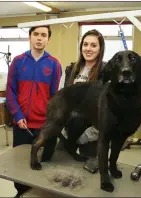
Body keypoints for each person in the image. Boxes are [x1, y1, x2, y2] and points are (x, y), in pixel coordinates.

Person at [6, 25, 62, 198]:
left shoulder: (54, 64)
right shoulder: (18, 61)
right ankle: (21, 194)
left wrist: (51, 122)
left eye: (43, 35)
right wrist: (17, 115)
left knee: (43, 165)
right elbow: (10, 91)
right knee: (20, 165)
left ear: (48, 39)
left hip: (43, 127)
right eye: (36, 34)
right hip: (21, 125)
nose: (39, 38)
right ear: (29, 37)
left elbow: (55, 98)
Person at [57, 29, 106, 161]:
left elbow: (107, 111)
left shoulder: (105, 73)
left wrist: (85, 137)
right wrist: (62, 131)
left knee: (85, 178)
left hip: (90, 139)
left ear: (100, 49)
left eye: (93, 45)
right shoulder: (70, 70)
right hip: (66, 135)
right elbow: (60, 101)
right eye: (85, 44)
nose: (88, 49)